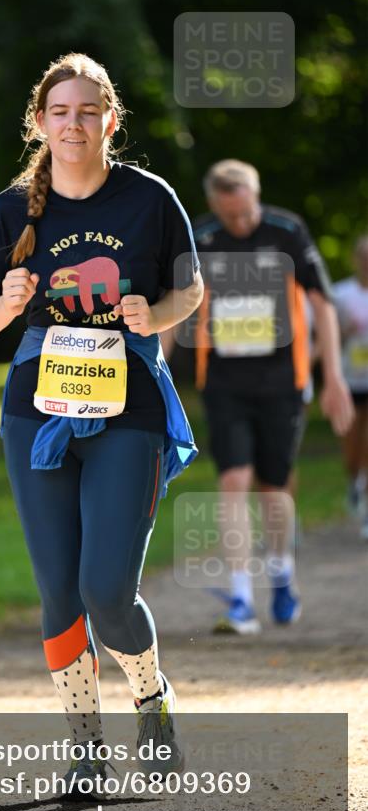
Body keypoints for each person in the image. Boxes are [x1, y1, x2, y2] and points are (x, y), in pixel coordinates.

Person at [0, 52, 203, 798]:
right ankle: (85, 749)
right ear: (39, 122)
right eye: (59, 112)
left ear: (110, 121)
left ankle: (151, 703)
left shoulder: (148, 198)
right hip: (36, 415)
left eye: (87, 111)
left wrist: (149, 314)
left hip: (128, 410)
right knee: (58, 591)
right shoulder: (11, 211)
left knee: (105, 591)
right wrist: (5, 301)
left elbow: (188, 292)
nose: (73, 123)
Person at [161, 160, 354, 634]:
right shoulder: (201, 240)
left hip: (282, 382)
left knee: (274, 488)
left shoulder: (287, 231)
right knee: (233, 481)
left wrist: (333, 377)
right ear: (214, 206)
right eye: (231, 217)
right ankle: (241, 599)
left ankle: (282, 573)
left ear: (256, 197)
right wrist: (157, 372)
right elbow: (171, 309)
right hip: (224, 381)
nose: (241, 225)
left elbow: (323, 305)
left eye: (246, 214)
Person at [333, 235, 368, 537]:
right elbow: (329, 339)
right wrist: (345, 331)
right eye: (364, 257)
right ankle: (353, 482)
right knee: (353, 445)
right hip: (350, 380)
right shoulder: (341, 293)